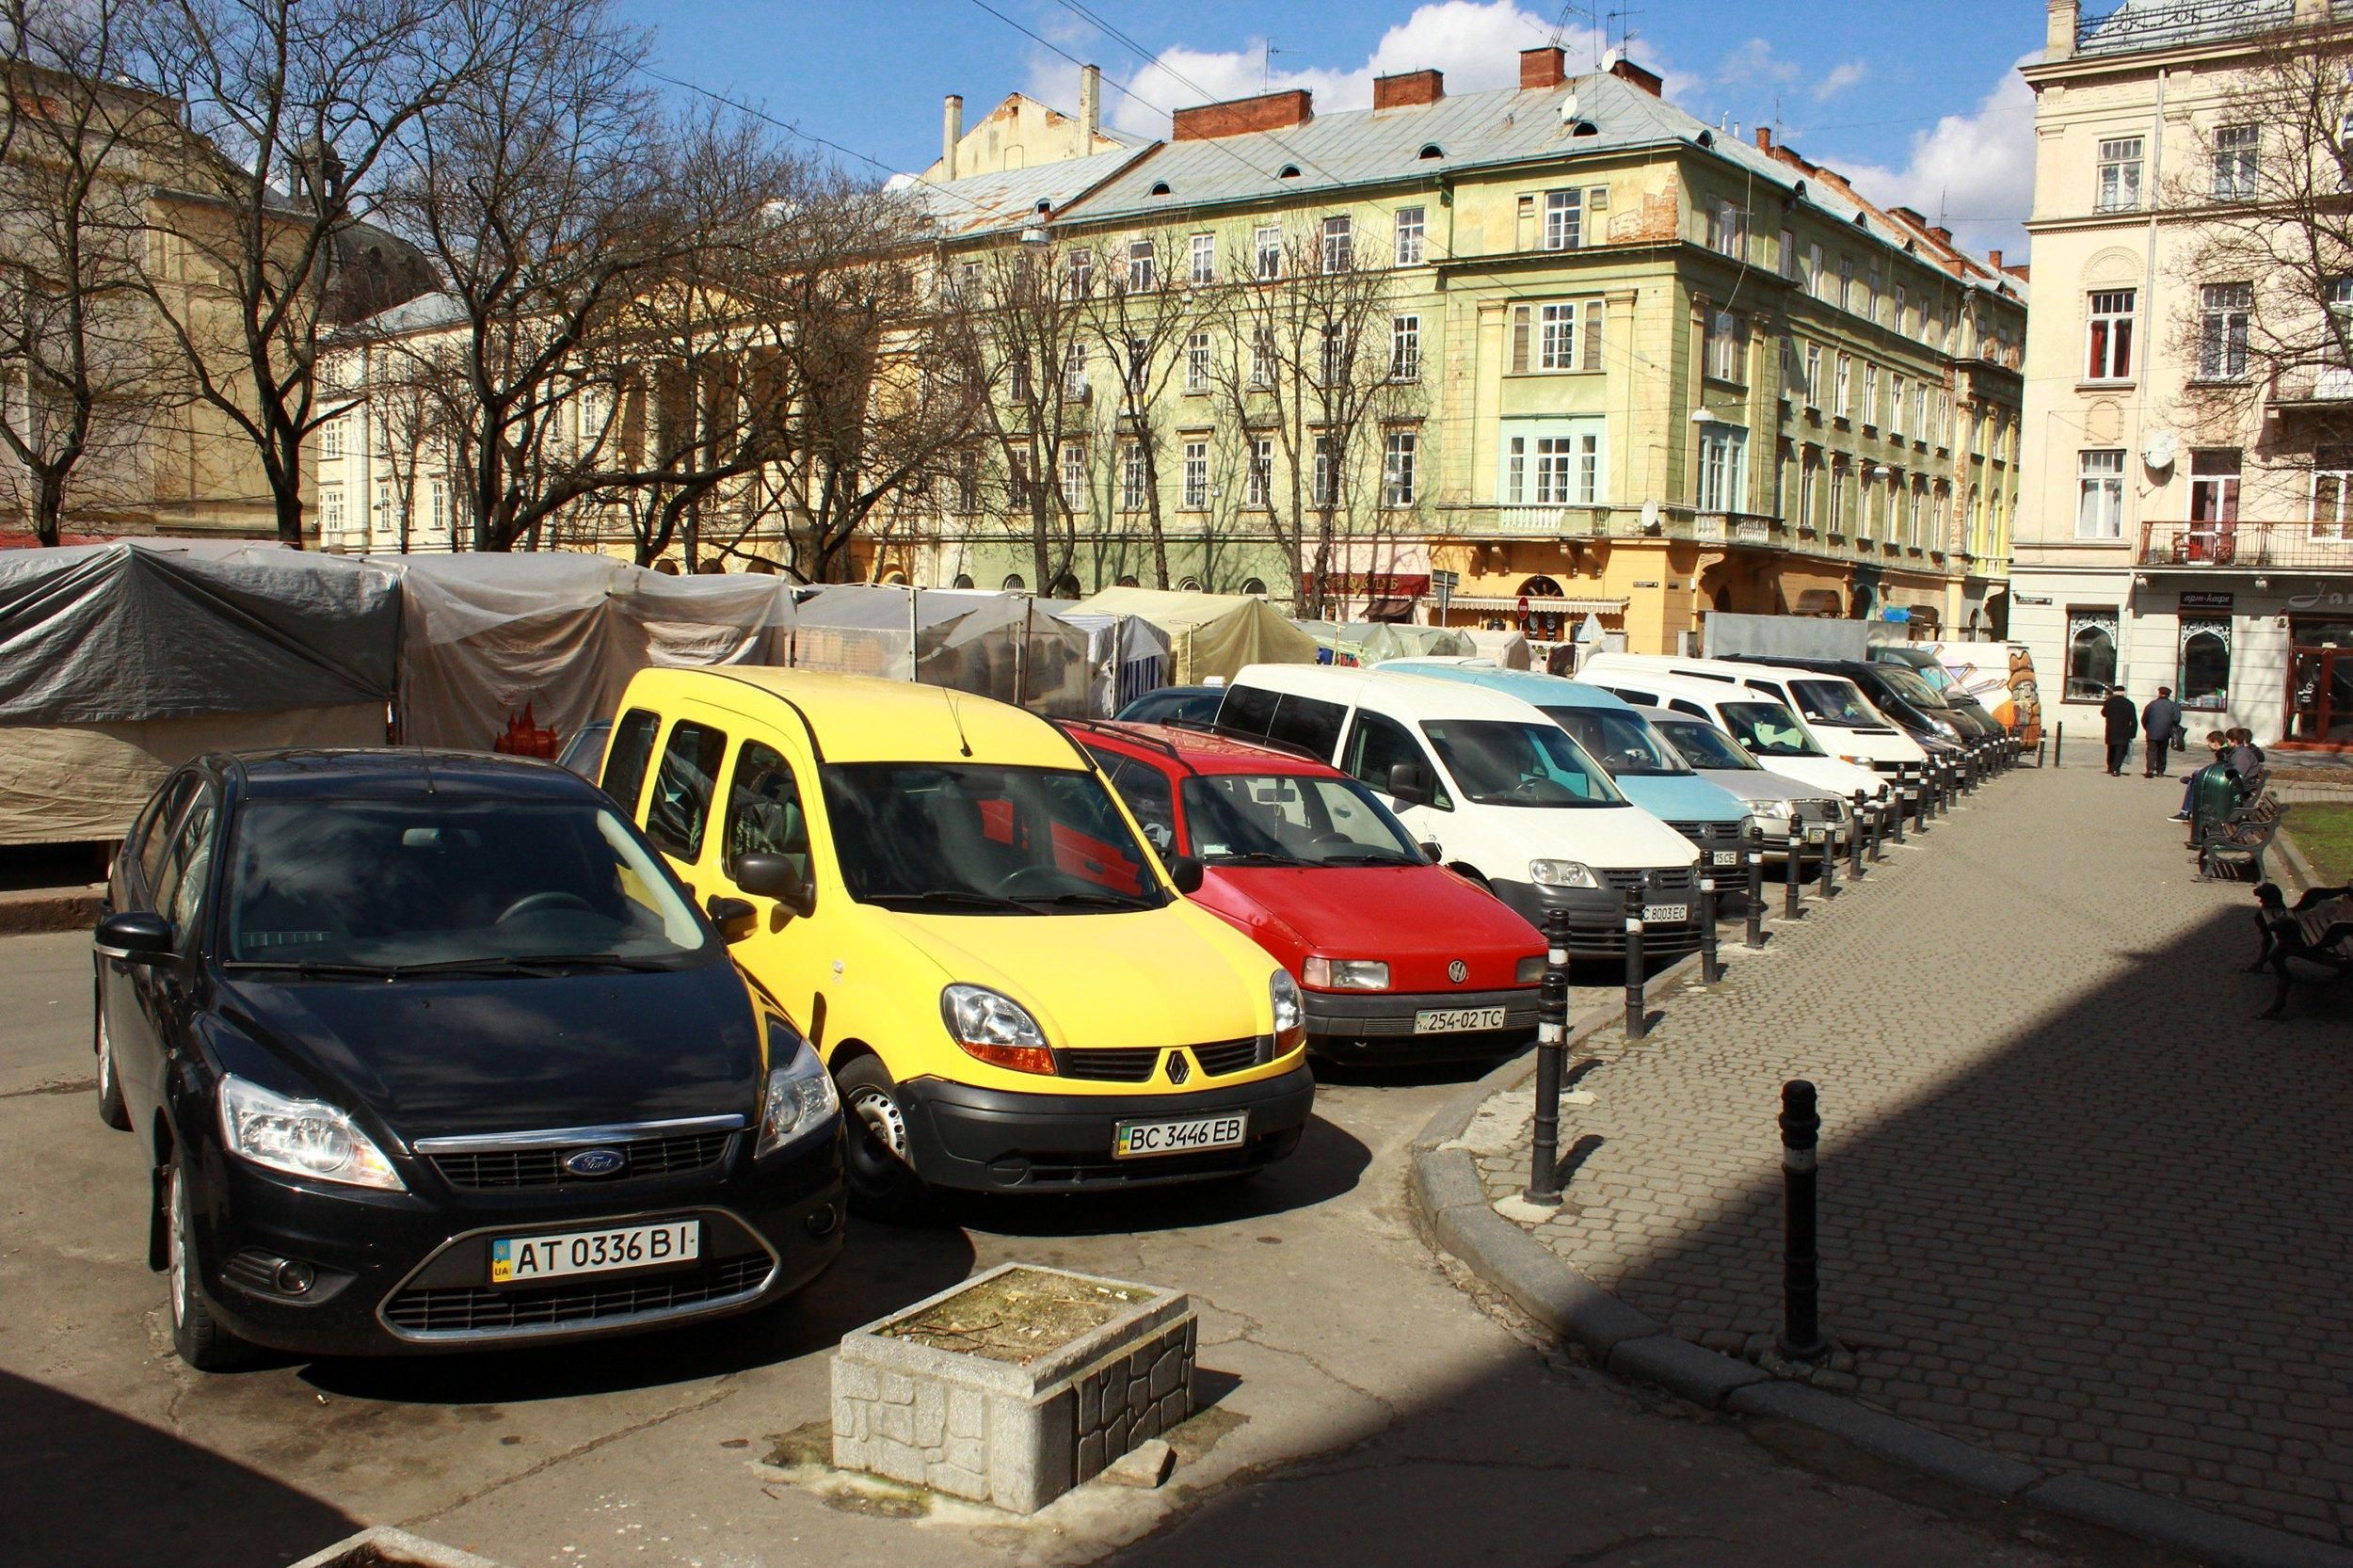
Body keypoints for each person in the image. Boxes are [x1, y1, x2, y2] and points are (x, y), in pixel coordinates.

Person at [2171, 731, 2231, 822]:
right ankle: (2185, 811)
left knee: (2194, 778)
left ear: (2215, 742)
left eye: (2209, 743)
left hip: (2220, 782)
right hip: (2221, 779)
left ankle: (2185, 812)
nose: (2208, 745)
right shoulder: (2225, 751)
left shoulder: (2222, 753)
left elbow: (2217, 769)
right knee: (2195, 777)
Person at [2140, 686, 2183, 777]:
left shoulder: (2151, 704)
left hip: (2152, 732)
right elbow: (2176, 719)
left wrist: (2147, 728)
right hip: (2165, 732)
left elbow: (2144, 718)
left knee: (2151, 751)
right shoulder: (2173, 705)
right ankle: (2160, 771)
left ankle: (2150, 769)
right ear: (2168, 695)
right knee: (2162, 752)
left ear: (2159, 693)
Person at [2100, 685, 2138, 776]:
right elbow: (2134, 720)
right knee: (2120, 750)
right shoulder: (2129, 703)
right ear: (2123, 692)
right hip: (2124, 730)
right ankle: (2116, 769)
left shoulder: (2108, 702)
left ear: (2114, 692)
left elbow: (2103, 713)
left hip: (2111, 729)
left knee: (2111, 748)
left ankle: (2110, 767)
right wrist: (2133, 732)